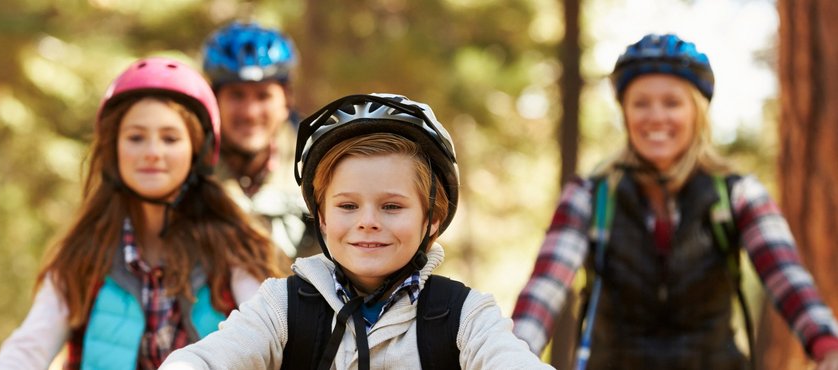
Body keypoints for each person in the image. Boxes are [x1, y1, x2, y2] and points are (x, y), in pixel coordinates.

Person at [511, 34, 838, 370]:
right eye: (641, 103)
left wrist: (828, 347)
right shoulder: (590, 195)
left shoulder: (738, 195)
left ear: (696, 112)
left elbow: (788, 278)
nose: (655, 117)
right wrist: (511, 353)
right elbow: (545, 288)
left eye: (671, 103)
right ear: (625, 113)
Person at [159, 93, 551, 369]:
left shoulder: (463, 315)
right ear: (323, 218)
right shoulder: (282, 307)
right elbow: (211, 357)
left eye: (392, 206)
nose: (368, 221)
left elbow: (509, 359)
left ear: (432, 218)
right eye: (347, 206)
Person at [0, 57, 283, 370]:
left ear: (196, 151)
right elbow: (29, 348)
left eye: (170, 139)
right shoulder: (83, 253)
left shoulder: (233, 246)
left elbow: (269, 333)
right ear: (114, 149)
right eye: (135, 137)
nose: (152, 152)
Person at [201, 21, 316, 259]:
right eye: (237, 95)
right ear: (214, 99)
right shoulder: (187, 169)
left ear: (286, 100)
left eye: (263, 96)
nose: (250, 112)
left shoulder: (319, 168)